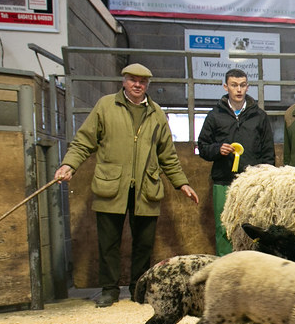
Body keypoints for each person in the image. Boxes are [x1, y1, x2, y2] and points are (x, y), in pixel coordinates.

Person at [54, 63, 200, 307]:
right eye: (133, 80)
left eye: (142, 81)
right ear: (124, 81)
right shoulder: (106, 106)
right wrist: (69, 165)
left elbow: (167, 155)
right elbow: (84, 141)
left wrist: (181, 183)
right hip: (111, 185)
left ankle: (137, 288)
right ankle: (109, 290)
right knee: (108, 241)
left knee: (144, 243)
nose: (137, 85)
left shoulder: (156, 114)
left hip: (147, 187)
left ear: (147, 85)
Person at [197, 68, 276, 255]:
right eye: (234, 85)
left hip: (253, 183)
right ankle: (225, 268)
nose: (238, 89)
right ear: (226, 87)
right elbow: (202, 146)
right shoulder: (214, 116)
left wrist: (266, 177)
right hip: (223, 181)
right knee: (224, 226)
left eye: (242, 85)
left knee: (253, 226)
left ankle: (251, 269)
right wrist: (217, 149)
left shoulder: (259, 116)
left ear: (247, 87)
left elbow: (268, 151)